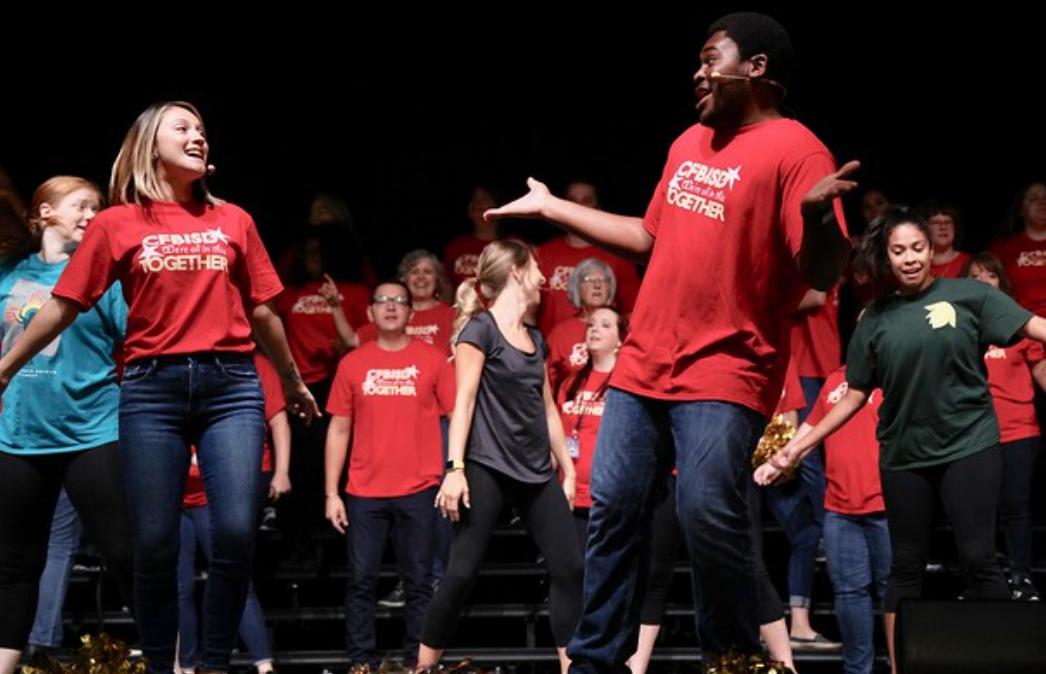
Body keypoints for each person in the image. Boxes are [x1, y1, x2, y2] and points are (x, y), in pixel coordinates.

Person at [485, 12, 853, 670]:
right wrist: (553, 208)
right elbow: (649, 237)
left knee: (707, 509)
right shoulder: (688, 143)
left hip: (727, 366)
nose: (699, 73)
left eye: (712, 59)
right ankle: (596, 660)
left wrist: (819, 219)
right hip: (644, 362)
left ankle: (735, 658)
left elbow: (822, 276)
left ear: (758, 68)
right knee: (615, 511)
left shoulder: (799, 151)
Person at [0, 102, 318, 674]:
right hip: (152, 391)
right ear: (150, 145)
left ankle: (213, 663)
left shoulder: (234, 221)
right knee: (152, 547)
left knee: (237, 531)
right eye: (183, 128)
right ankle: (164, 667)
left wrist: (292, 380)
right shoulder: (116, 224)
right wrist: (4, 367)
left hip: (230, 386)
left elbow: (266, 312)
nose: (198, 136)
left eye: (201, 129)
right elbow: (64, 306)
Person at [757, 210, 1046, 672]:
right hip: (904, 456)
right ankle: (900, 667)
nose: (909, 259)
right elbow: (852, 395)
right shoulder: (875, 319)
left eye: (917, 248)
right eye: (898, 251)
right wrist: (796, 448)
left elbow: (1036, 328)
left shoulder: (969, 295)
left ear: (931, 252)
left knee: (979, 559)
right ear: (887, 259)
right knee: (906, 567)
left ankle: (999, 661)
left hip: (969, 446)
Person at [417, 240, 583, 674]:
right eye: (537, 269)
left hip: (534, 470)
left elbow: (547, 407)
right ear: (516, 272)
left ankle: (571, 667)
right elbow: (465, 402)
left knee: (571, 566)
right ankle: (423, 667)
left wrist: (566, 469)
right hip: (487, 465)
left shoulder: (536, 338)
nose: (544, 278)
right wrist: (454, 470)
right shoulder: (480, 331)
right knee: (461, 573)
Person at [0, 176, 134, 674]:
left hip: (91, 432)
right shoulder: (9, 275)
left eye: (98, 208)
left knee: (124, 554)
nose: (92, 215)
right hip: (19, 437)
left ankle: (175, 661)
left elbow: (138, 343)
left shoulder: (106, 281)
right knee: (16, 566)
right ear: (46, 214)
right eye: (81, 206)